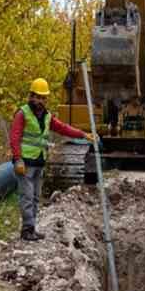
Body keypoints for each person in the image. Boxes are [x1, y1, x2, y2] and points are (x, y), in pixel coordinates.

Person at [9, 77, 95, 241]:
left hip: (39, 162)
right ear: (31, 96)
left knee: (35, 197)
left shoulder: (47, 116)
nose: (40, 101)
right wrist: (18, 159)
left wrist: (83, 134)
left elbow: (63, 128)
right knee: (27, 196)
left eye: (43, 98)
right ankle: (27, 229)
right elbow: (14, 137)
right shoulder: (22, 114)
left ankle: (31, 227)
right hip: (25, 163)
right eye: (38, 97)